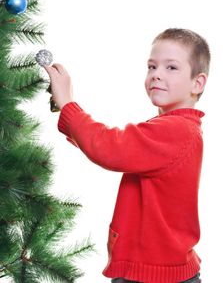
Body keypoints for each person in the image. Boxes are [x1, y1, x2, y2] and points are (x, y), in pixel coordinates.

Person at [44, 28, 210, 283]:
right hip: (156, 270)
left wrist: (68, 104)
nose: (156, 75)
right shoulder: (175, 128)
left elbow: (111, 148)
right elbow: (116, 149)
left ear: (197, 83)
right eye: (151, 67)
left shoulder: (175, 130)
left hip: (156, 276)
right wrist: (68, 116)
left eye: (171, 68)